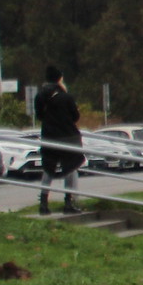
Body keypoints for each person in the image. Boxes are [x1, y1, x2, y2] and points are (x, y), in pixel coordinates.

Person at [32, 65, 84, 215]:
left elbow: (40, 116)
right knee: (71, 167)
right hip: (67, 137)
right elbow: (75, 117)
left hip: (49, 138)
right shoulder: (65, 97)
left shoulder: (40, 96)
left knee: (48, 169)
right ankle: (68, 202)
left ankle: (43, 204)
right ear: (59, 79)